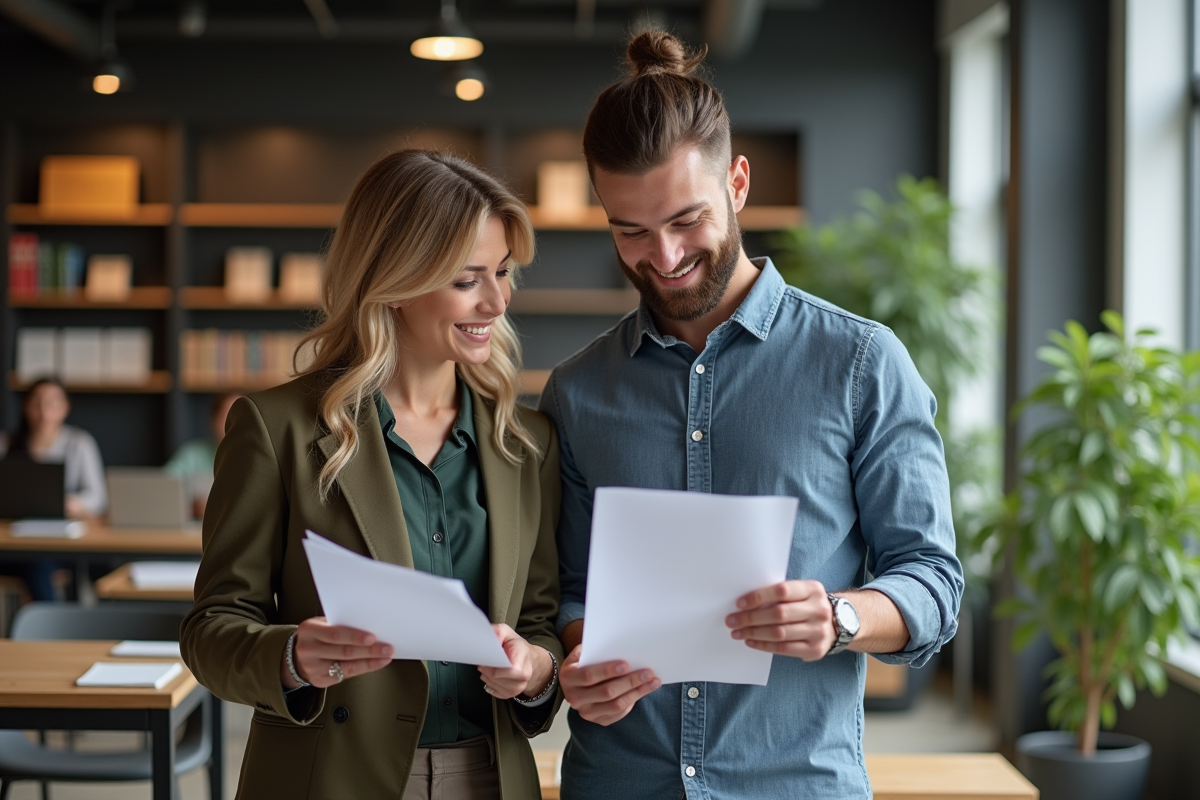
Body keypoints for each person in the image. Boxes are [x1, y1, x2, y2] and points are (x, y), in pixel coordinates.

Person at [539, 31, 964, 799]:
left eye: (685, 220)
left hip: (796, 782)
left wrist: (839, 617)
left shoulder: (861, 363)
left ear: (737, 183)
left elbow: (933, 583)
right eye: (630, 230)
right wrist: (579, 656)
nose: (664, 256)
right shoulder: (576, 391)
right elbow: (570, 591)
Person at [181, 150, 564, 800]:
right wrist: (291, 657)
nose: (497, 301)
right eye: (467, 279)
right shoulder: (276, 429)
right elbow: (211, 629)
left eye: (502, 272)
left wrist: (535, 668)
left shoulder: (527, 442)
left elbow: (539, 617)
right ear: (397, 279)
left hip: (490, 778)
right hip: (329, 779)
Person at [0, 377, 107, 599]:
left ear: (65, 407)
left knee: (37, 564)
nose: (44, 411)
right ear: (26, 406)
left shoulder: (79, 443)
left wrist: (73, 503)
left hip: (57, 543)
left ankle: (44, 619)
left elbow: (98, 497)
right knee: (31, 563)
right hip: (11, 540)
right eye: (37, 403)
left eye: (52, 402)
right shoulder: (6, 443)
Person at [164, 392, 241, 519]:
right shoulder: (192, 455)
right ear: (213, 420)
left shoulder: (259, 459)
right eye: (226, 417)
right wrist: (191, 506)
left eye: (240, 418)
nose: (232, 424)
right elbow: (163, 488)